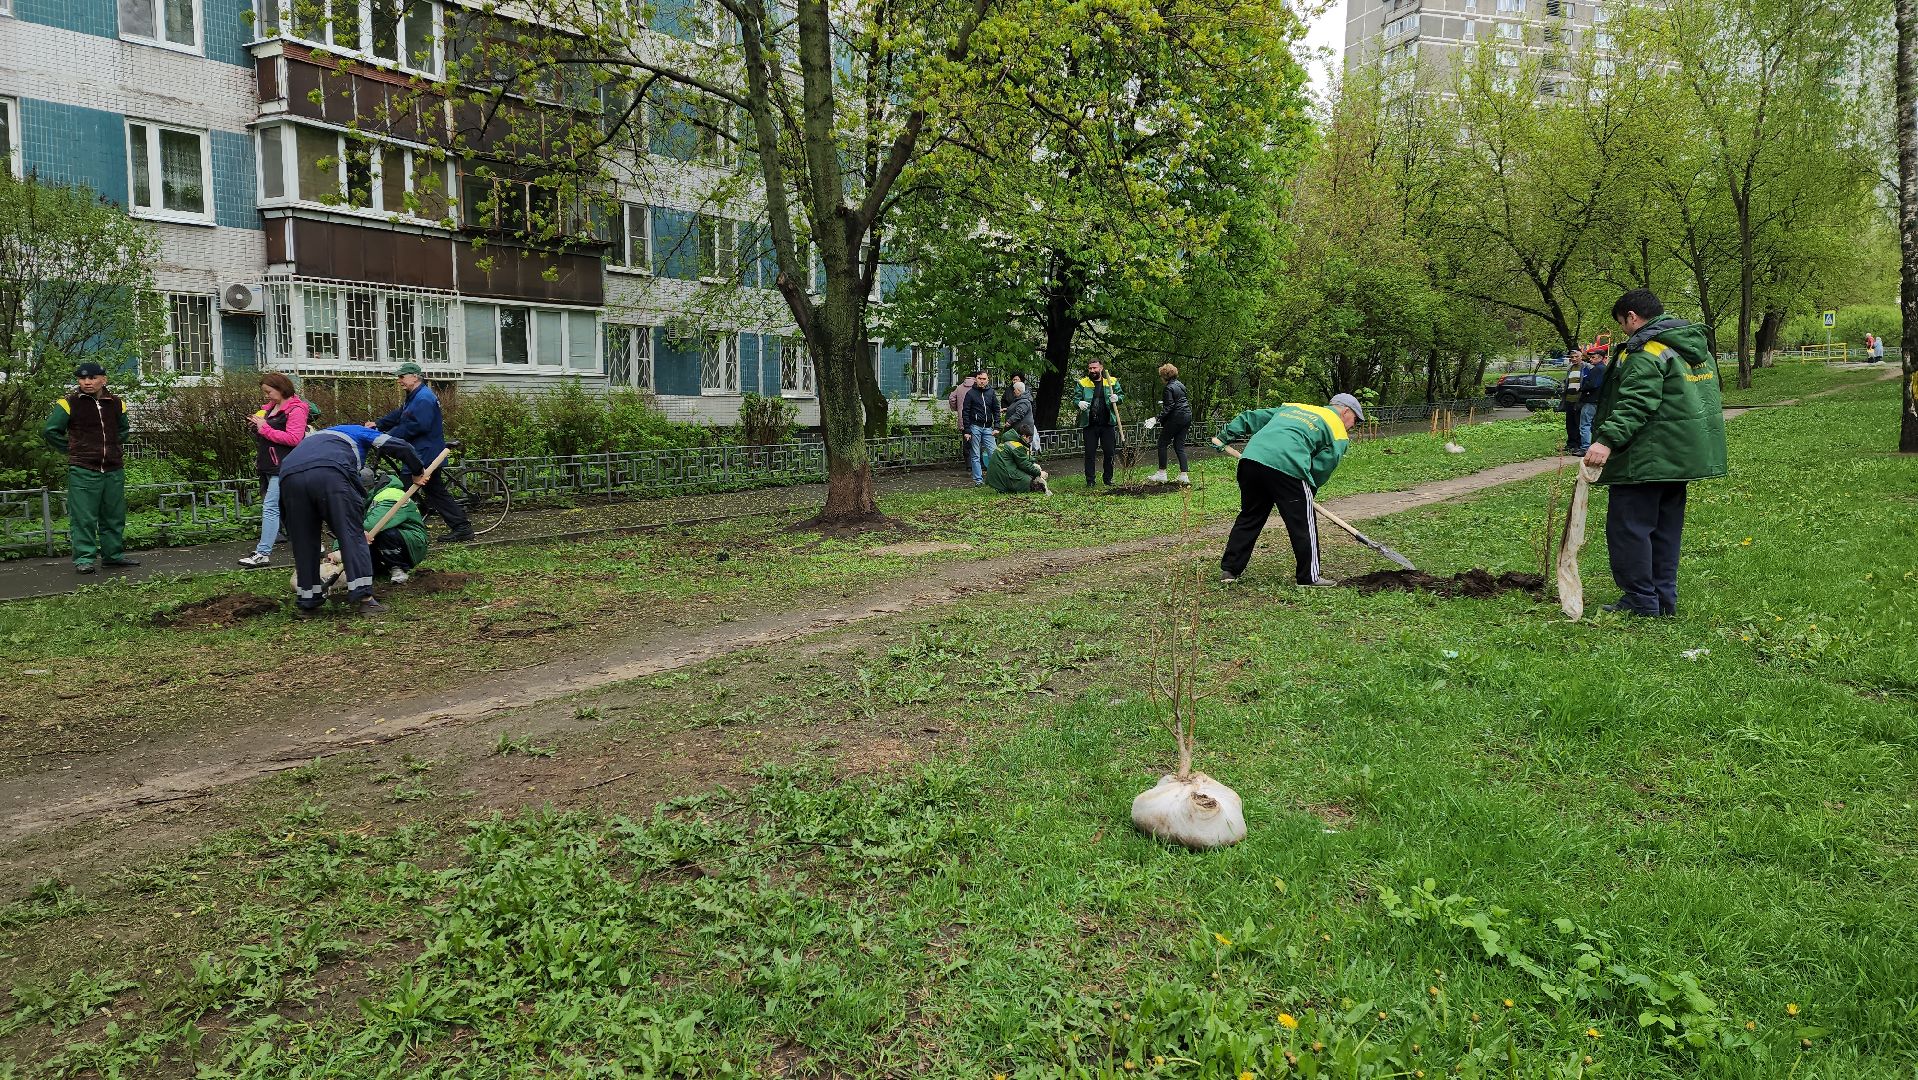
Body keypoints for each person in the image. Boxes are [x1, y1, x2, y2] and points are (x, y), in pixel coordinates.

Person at [1584, 289, 1728, 617]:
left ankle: (1639, 600)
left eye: (1622, 323)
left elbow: (1637, 402)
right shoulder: (1691, 347)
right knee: (1665, 531)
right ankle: (1663, 600)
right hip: (1680, 459)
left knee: (1629, 530)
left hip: (1645, 459)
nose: (1623, 329)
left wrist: (1606, 441)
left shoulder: (1646, 350)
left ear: (1632, 317)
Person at [1211, 393, 1365, 587]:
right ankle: (1309, 577)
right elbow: (1322, 468)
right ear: (1345, 411)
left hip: (1251, 461)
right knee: (1302, 523)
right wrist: (1306, 497)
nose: (1352, 425)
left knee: (1251, 515)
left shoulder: (1295, 408)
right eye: (1355, 420)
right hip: (1288, 466)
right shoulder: (1338, 432)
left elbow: (1250, 417)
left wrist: (1226, 435)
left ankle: (1230, 570)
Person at [279, 424, 427, 616]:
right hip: (331, 473)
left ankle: (308, 602)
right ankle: (365, 600)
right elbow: (400, 446)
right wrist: (417, 471)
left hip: (288, 477)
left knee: (304, 542)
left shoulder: (314, 440)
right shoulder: (358, 431)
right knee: (353, 535)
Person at [42, 362, 138, 575]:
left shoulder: (116, 403)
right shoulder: (68, 403)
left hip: (113, 469)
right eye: (82, 378)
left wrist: (114, 447)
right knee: (84, 517)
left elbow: (124, 429)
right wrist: (73, 449)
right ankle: (84, 559)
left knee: (113, 515)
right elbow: (50, 431)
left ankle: (112, 556)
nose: (87, 382)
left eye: (93, 378)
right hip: (83, 469)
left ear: (104, 379)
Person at [367, 363, 471, 541]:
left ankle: (387, 532)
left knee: (404, 490)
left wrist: (388, 438)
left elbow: (416, 426)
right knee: (434, 492)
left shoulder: (423, 399)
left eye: (401, 377)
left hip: (425, 455)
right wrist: (378, 424)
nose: (399, 380)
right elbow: (400, 415)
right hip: (421, 452)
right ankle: (461, 527)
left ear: (414, 377)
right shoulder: (414, 396)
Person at [238, 373, 310, 568]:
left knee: (271, 507)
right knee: (287, 510)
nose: (267, 396)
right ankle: (312, 545)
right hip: (269, 465)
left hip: (285, 465)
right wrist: (256, 426)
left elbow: (294, 439)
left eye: (269, 391)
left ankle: (263, 553)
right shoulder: (271, 408)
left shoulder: (296, 409)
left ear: (281, 388)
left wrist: (264, 428)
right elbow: (269, 433)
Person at [363, 474, 430, 584]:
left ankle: (398, 568)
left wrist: (343, 549)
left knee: (382, 533)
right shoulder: (371, 497)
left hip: (413, 542)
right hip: (399, 538)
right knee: (367, 538)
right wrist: (338, 549)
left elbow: (371, 525)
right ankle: (378, 569)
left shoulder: (391, 495)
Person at [1075, 359, 1124, 486]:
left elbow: (1121, 396)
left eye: (1095, 368)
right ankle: (1090, 480)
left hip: (1107, 423)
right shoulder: (1082, 383)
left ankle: (1108, 479)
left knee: (1109, 452)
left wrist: (1117, 398)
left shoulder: (1111, 381)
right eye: (1090, 368)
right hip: (1089, 424)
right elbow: (1075, 399)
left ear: (1101, 368)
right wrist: (1078, 403)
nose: (1092, 370)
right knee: (1090, 453)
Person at [1141, 363, 1192, 484]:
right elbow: (1179, 402)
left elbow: (1169, 407)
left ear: (1164, 376)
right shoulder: (1180, 385)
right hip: (1187, 416)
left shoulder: (1168, 387)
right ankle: (1184, 476)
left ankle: (1162, 473)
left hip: (1177, 418)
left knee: (1162, 443)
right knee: (1179, 445)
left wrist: (1156, 418)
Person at [961, 369, 1001, 486]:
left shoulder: (991, 393)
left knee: (993, 454)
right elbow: (965, 413)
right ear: (976, 379)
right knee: (975, 455)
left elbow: (996, 410)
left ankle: (994, 478)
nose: (982, 381)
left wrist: (997, 426)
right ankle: (978, 481)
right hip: (975, 427)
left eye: (984, 379)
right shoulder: (970, 394)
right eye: (980, 379)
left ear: (988, 380)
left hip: (988, 428)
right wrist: (967, 430)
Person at [985, 426, 1049, 494]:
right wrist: (1039, 473)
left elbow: (1022, 458)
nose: (1029, 440)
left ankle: (1003, 488)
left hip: (995, 474)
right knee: (1028, 481)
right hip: (1003, 472)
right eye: (1029, 438)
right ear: (1024, 436)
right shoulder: (1016, 445)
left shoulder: (1008, 441)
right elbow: (1024, 464)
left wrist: (1033, 461)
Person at [1576, 348, 1606, 454]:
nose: (1591, 360)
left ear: (1601, 358)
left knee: (1585, 424)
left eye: (1593, 357)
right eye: (1590, 357)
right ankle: (1593, 445)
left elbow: (1592, 384)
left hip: (1591, 399)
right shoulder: (1604, 368)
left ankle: (1585, 448)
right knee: (1593, 424)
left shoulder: (1598, 369)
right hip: (1599, 400)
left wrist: (1582, 388)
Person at [1003, 376, 1039, 450]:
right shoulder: (1020, 399)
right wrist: (1007, 409)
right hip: (1019, 430)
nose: (1013, 391)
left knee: (1021, 450)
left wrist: (1009, 421)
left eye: (1014, 390)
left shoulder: (1024, 401)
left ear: (1019, 390)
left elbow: (1020, 413)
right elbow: (1016, 408)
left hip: (1023, 431)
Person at [1561, 356, 1585, 453]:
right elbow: (1566, 382)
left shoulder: (1585, 367)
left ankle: (1578, 444)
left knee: (1578, 422)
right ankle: (1571, 443)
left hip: (1579, 400)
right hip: (1568, 399)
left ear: (1581, 357)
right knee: (1569, 423)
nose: (1574, 359)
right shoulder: (1570, 368)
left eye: (1576, 356)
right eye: (1572, 357)